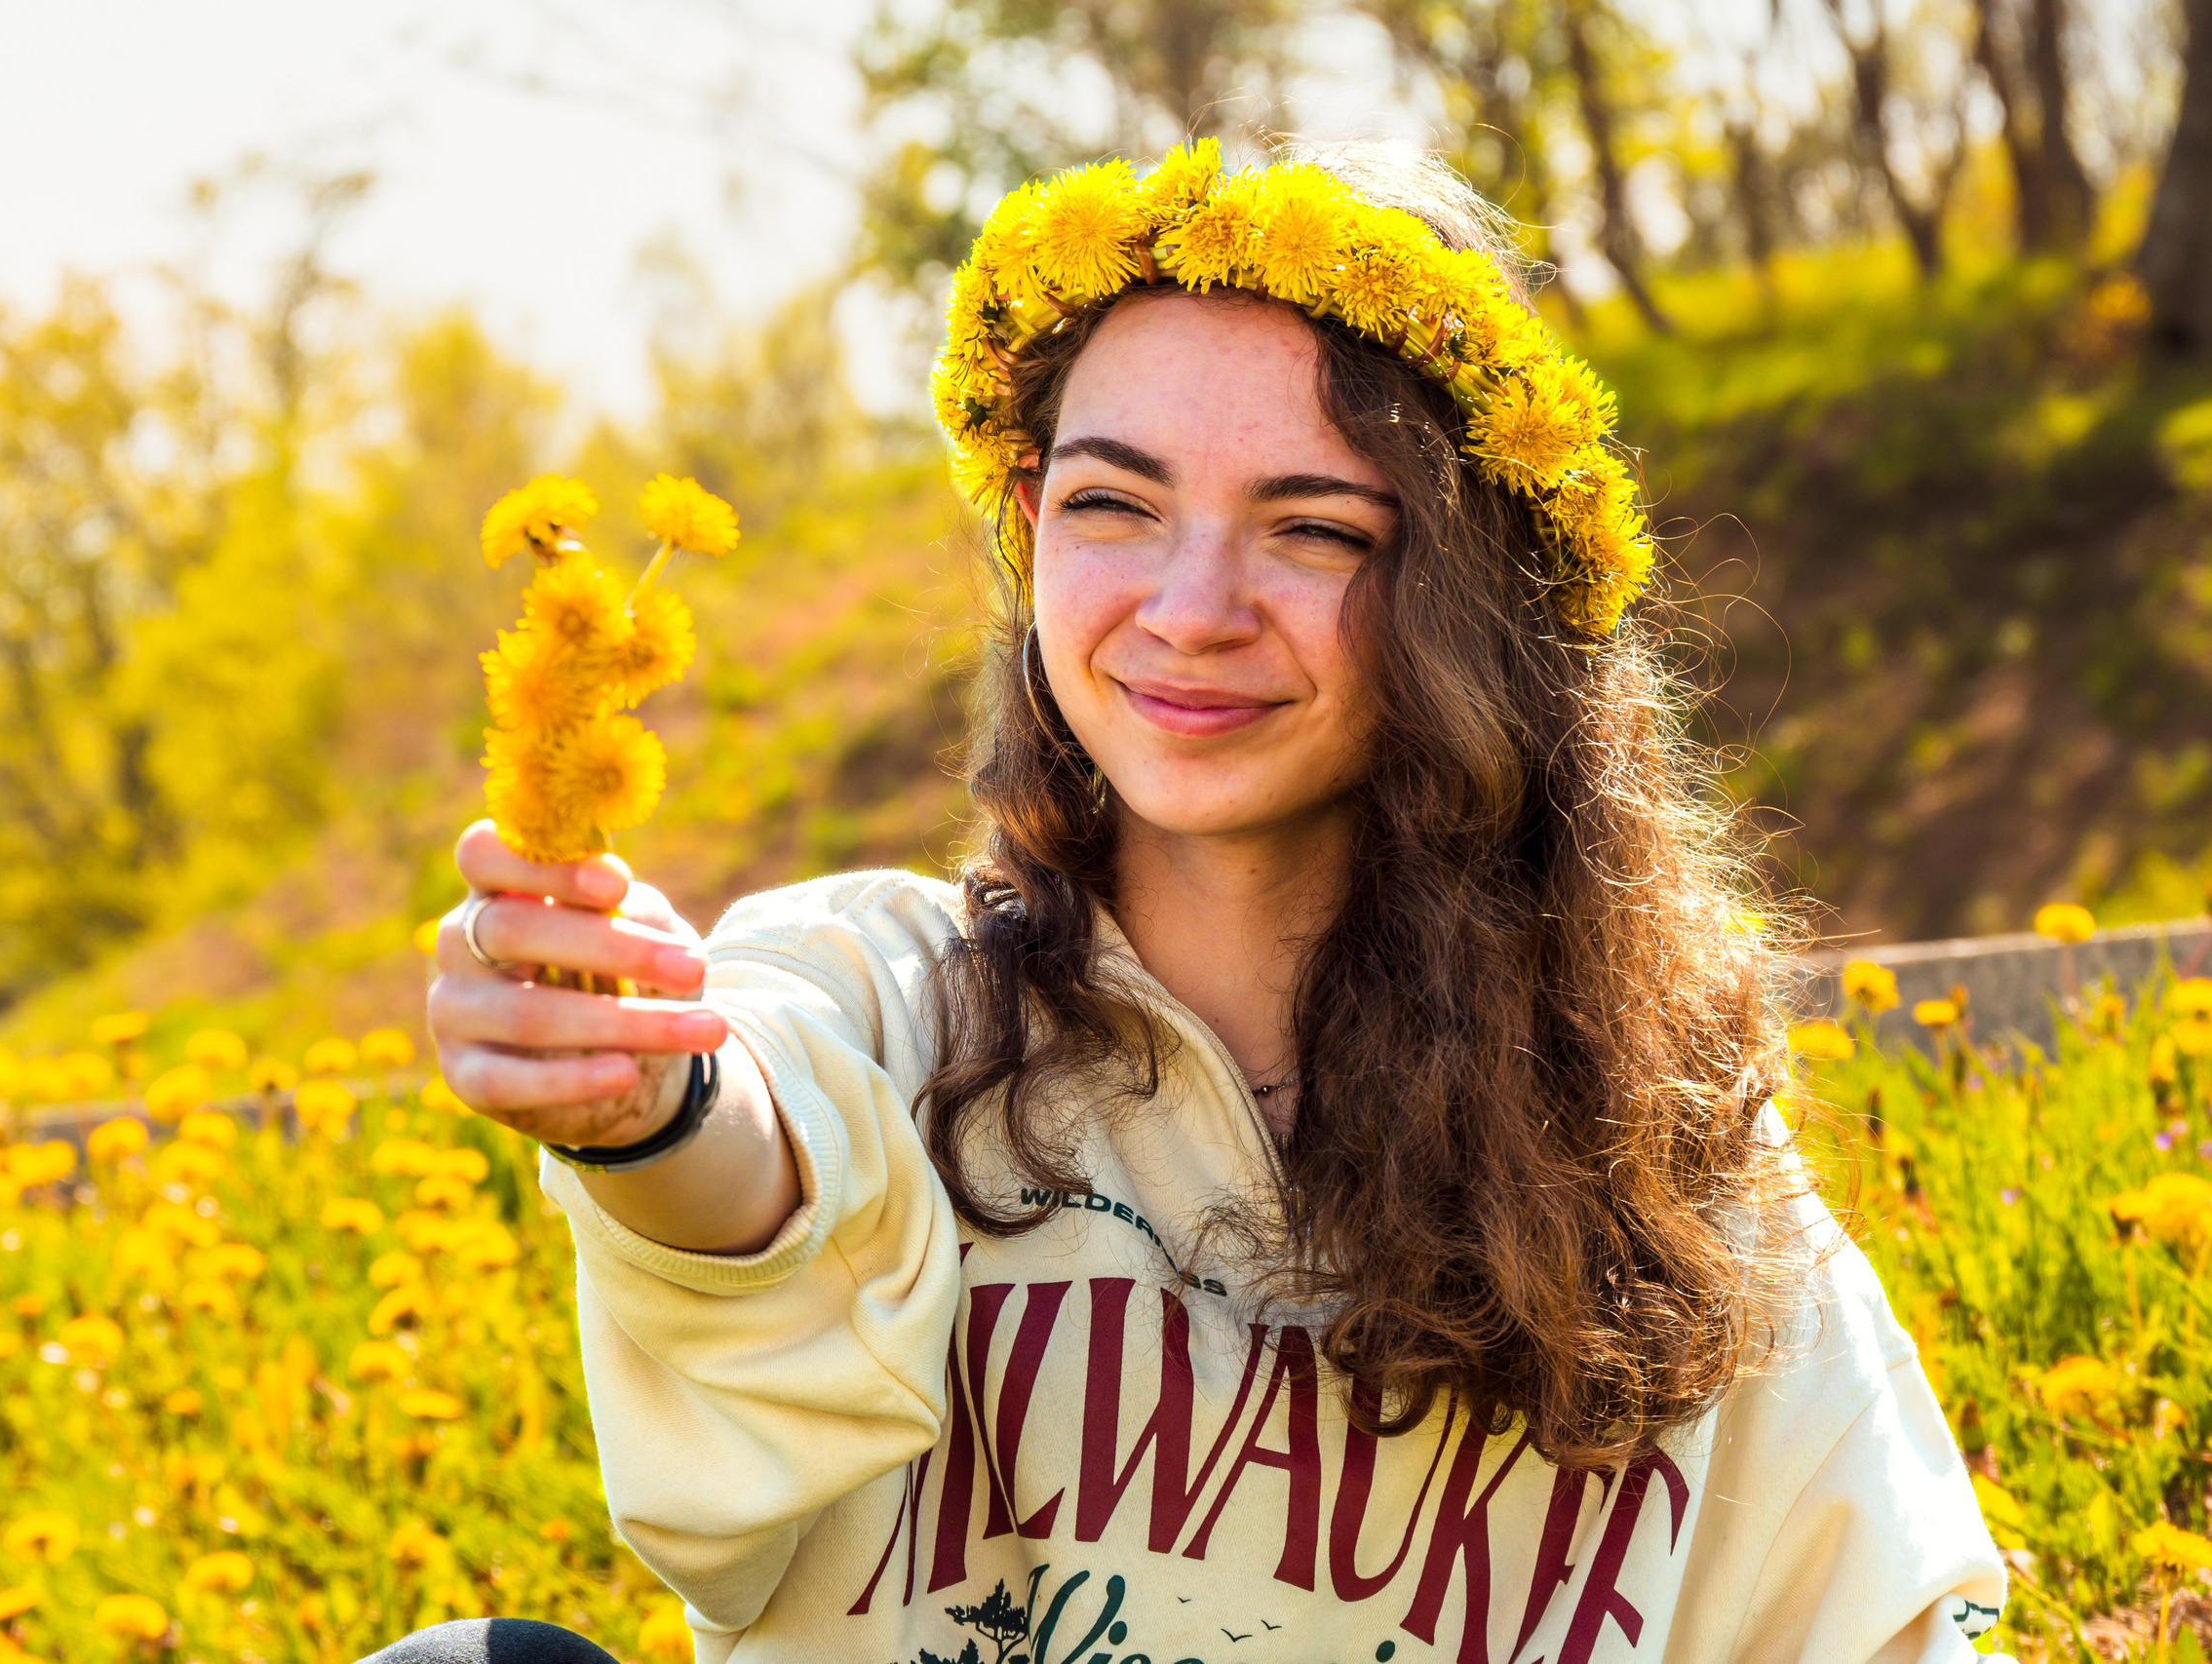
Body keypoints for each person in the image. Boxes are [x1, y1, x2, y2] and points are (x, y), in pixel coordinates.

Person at [373, 140, 2008, 1664]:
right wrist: (650, 1100)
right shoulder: (878, 992)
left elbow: (1879, 1615)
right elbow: (757, 1142)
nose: (1189, 607)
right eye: (1112, 504)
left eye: (1314, 529)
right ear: (1028, 532)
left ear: (1468, 597)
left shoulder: (1667, 1158)